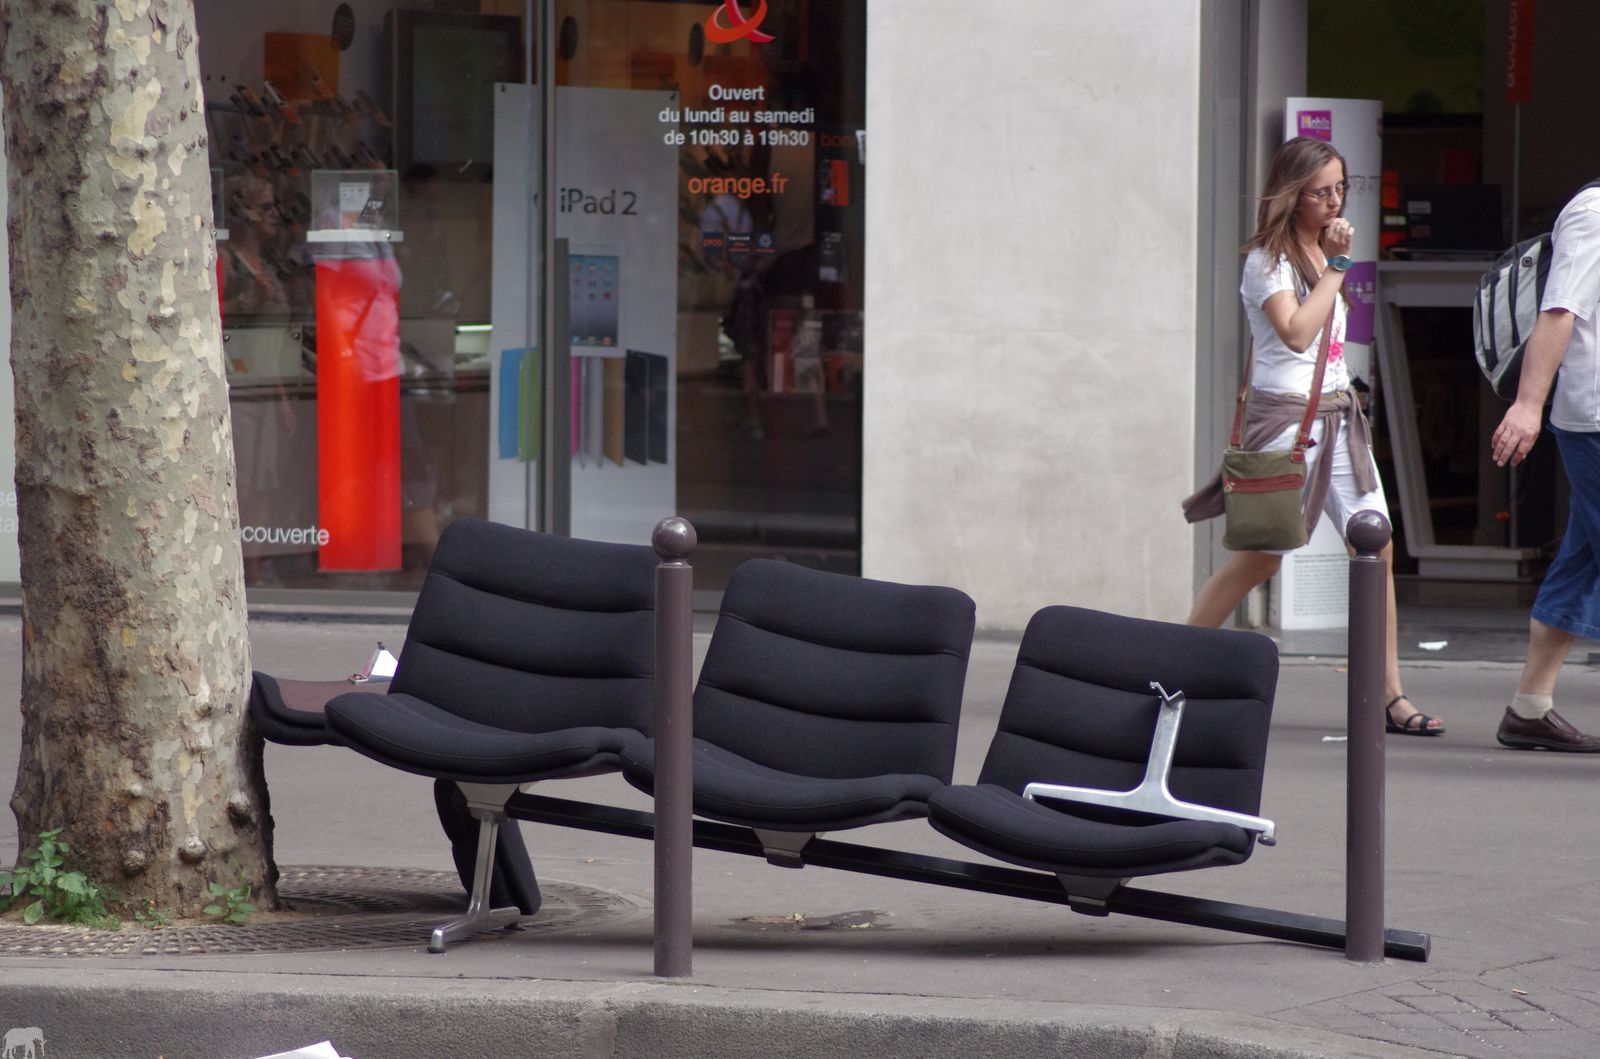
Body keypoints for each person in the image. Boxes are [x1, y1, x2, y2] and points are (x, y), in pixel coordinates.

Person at [1183, 137, 1445, 736]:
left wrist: (1331, 264)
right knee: (1262, 557)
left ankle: (1389, 696)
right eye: (1322, 191)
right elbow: (1297, 333)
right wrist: (1337, 266)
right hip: (1285, 422)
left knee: (1375, 548)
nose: (1334, 201)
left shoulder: (1323, 252)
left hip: (1338, 416)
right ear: (1291, 193)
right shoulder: (1267, 260)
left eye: (1341, 188)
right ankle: (1175, 664)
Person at [1488, 181, 1600, 752]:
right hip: (1597, 419)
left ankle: (1529, 707)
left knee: (1582, 562)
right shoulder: (1595, 211)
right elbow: (1560, 309)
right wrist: (1528, 405)